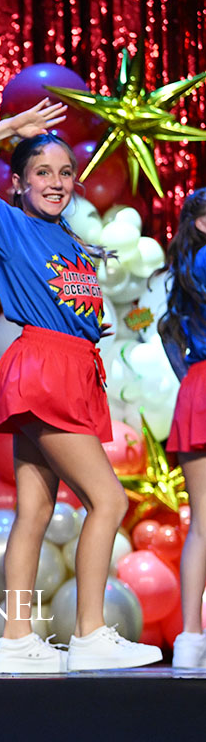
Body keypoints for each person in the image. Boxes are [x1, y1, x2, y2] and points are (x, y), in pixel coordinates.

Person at [0, 98, 161, 672]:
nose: (56, 182)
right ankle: (90, 632)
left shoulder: (68, 238)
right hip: (44, 371)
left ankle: (15, 640)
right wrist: (9, 128)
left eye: (65, 172)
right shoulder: (11, 225)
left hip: (70, 370)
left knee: (34, 511)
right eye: (42, 172)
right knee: (108, 500)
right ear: (19, 183)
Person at [157, 187, 206, 668]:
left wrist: (190, 380)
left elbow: (166, 332)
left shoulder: (186, 269)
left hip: (196, 386)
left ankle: (190, 639)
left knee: (202, 525)